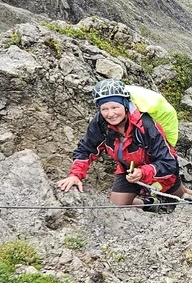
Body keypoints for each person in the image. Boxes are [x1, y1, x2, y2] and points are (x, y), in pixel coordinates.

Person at [56, 79, 181, 209]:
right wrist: (75, 175)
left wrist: (143, 172)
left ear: (125, 105)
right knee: (116, 206)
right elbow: (86, 149)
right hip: (128, 169)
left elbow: (168, 163)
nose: (110, 114)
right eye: (104, 109)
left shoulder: (146, 125)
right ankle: (152, 205)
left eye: (115, 107)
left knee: (182, 194)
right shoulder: (101, 123)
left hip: (159, 170)